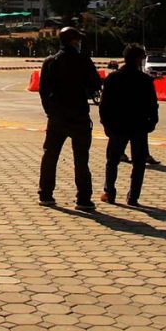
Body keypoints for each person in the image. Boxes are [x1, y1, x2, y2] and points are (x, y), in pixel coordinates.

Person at [38, 26, 102, 210]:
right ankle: (83, 199)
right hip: (79, 116)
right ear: (74, 42)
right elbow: (96, 84)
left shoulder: (50, 62)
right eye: (78, 40)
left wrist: (50, 111)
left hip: (57, 117)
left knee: (50, 156)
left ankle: (46, 194)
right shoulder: (83, 61)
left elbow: (43, 91)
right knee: (81, 159)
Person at [98, 45, 159, 206]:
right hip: (139, 126)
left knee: (112, 161)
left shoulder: (113, 78)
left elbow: (104, 105)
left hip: (117, 126)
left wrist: (106, 124)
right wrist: (152, 122)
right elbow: (153, 104)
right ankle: (133, 197)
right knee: (138, 163)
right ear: (138, 59)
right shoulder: (145, 80)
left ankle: (109, 192)